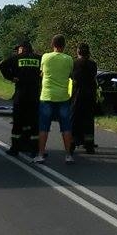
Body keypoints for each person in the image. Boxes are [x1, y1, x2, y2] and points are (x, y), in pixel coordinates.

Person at [0, 40, 41, 157]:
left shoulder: (16, 58)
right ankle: (34, 149)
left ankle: (15, 149)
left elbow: (2, 66)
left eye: (19, 49)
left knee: (18, 122)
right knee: (33, 123)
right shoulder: (39, 58)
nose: (18, 51)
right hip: (34, 95)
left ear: (22, 48)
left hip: (20, 95)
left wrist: (11, 77)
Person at [36, 34, 74, 164]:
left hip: (47, 95)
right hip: (63, 96)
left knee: (44, 127)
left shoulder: (45, 57)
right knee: (66, 127)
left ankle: (41, 154)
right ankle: (68, 155)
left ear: (52, 44)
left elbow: (42, 73)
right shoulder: (69, 59)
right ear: (64, 45)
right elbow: (70, 74)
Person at [70, 43, 98, 154]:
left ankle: (72, 142)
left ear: (78, 52)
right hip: (90, 94)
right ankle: (89, 144)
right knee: (88, 120)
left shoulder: (75, 63)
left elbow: (73, 78)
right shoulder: (93, 64)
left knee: (74, 119)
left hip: (78, 94)